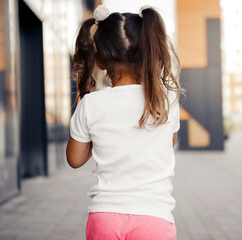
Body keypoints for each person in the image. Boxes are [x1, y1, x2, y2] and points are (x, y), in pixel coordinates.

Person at [66, 4, 181, 240]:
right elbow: (167, 144)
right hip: (154, 217)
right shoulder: (166, 100)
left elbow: (75, 159)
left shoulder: (91, 104)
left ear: (99, 60)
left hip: (106, 216)